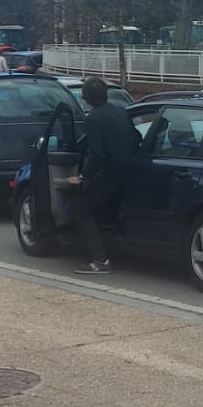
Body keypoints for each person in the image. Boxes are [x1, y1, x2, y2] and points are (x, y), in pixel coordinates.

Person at [67, 76, 135, 274]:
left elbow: (96, 155)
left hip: (108, 175)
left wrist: (83, 178)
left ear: (86, 97)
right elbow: (134, 138)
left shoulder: (94, 118)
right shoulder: (121, 112)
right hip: (129, 172)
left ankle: (100, 260)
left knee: (82, 211)